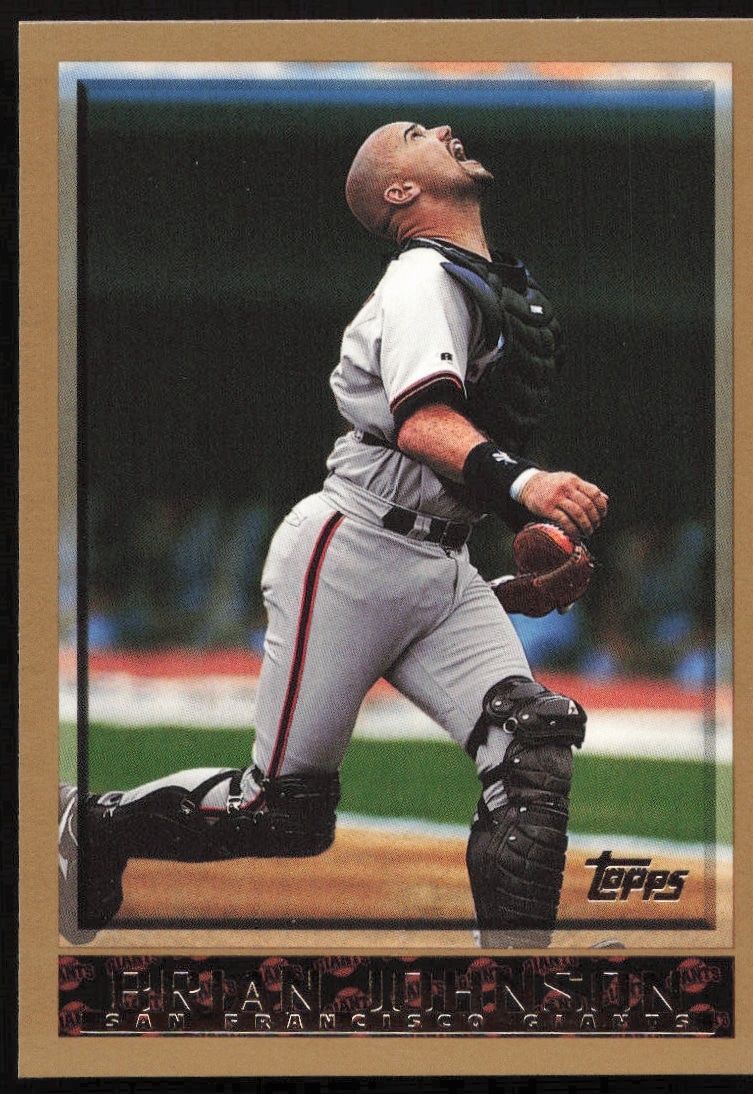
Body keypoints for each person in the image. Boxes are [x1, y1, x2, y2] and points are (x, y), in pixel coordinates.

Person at [59, 121, 608, 947]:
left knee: (534, 745)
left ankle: (513, 982)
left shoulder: (482, 281)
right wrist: (528, 486)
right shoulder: (423, 275)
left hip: (440, 558)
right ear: (400, 191)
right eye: (417, 134)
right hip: (352, 546)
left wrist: (515, 545)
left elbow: (456, 452)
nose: (443, 129)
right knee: (283, 813)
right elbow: (421, 422)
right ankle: (94, 823)